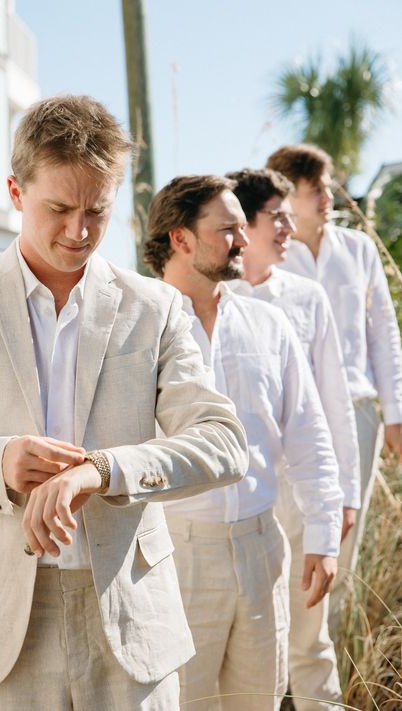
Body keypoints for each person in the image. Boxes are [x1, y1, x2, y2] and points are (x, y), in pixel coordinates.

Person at [0, 95, 249, 711]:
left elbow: (223, 443)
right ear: (15, 192)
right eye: (59, 208)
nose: (79, 232)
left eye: (97, 211)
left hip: (131, 617)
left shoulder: (156, 308)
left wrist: (103, 470)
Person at [143, 174, 343, 711]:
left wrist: (323, 533)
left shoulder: (268, 324)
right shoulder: (136, 329)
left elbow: (307, 432)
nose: (243, 240)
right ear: (180, 238)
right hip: (173, 554)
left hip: (263, 549)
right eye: (227, 229)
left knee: (260, 700)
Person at [227, 167, 361, 710]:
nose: (288, 227)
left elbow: (335, 405)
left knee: (310, 643)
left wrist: (343, 495)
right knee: (248, 646)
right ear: (244, 225)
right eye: (276, 217)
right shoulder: (208, 299)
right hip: (238, 503)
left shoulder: (307, 299)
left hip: (302, 497)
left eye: (289, 214)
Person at [266, 144, 402, 630]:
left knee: (347, 530)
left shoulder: (359, 248)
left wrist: (395, 414)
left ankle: (334, 661)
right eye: (314, 189)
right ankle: (286, 670)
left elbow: (383, 332)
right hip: (293, 416)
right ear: (287, 195)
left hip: (359, 410)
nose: (327, 196)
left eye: (326, 187)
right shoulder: (270, 256)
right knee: (289, 534)